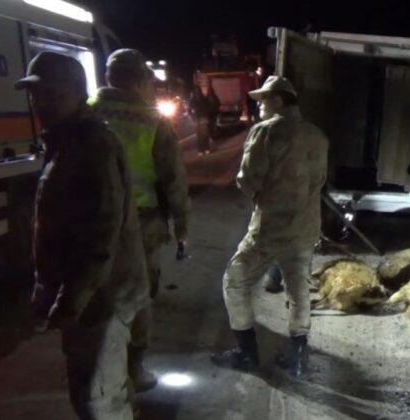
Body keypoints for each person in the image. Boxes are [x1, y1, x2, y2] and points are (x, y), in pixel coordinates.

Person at [18, 52, 148, 420]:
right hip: (93, 298)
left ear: (78, 93)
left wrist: (68, 303)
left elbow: (99, 237)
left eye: (52, 94)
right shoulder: (66, 141)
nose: (40, 104)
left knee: (98, 402)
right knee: (104, 391)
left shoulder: (92, 145)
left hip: (102, 300)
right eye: (35, 95)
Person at [210, 75, 328, 378]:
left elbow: (248, 179)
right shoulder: (317, 135)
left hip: (270, 228)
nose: (259, 103)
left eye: (263, 98)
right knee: (298, 288)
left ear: (278, 100)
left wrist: (262, 194)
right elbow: (319, 182)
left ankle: (246, 353)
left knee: (235, 281)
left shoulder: (265, 132)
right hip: (305, 227)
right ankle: (298, 359)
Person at [88, 49, 190, 392]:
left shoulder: (84, 114)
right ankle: (134, 368)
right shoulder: (152, 120)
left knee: (94, 290)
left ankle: (97, 368)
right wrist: (182, 229)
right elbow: (173, 180)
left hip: (89, 224)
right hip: (139, 224)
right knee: (137, 293)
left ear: (108, 77)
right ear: (140, 81)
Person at [189, 71, 220, 155]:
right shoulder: (203, 95)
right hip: (202, 117)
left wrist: (192, 115)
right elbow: (212, 104)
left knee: (200, 134)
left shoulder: (195, 96)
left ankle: (201, 149)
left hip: (199, 117)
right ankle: (205, 149)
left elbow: (190, 107)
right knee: (203, 133)